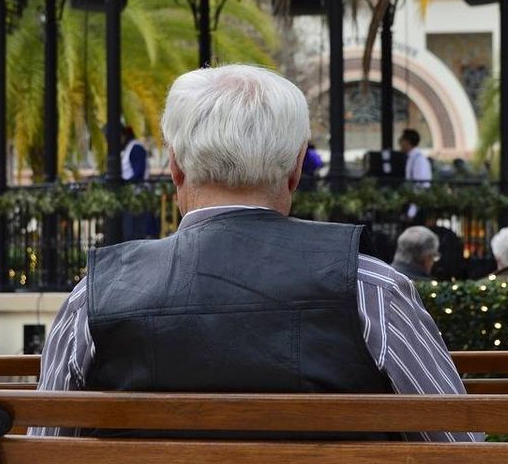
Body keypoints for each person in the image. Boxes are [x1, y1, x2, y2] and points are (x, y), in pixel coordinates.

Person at [36, 65, 477, 442]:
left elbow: (45, 444)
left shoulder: (94, 296)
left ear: (175, 167)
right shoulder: (372, 288)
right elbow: (459, 439)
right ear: (296, 169)